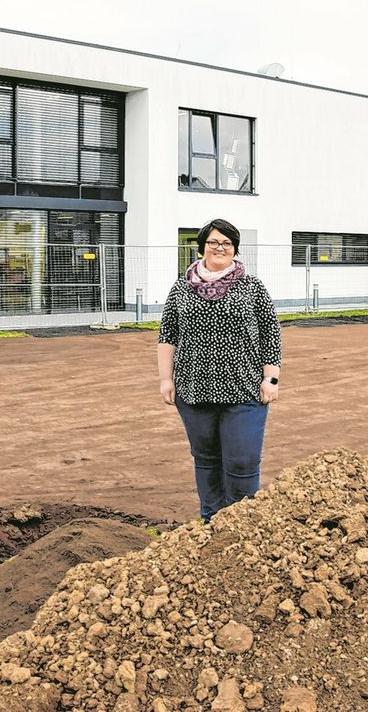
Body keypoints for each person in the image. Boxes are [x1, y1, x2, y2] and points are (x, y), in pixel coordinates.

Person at [157, 218, 282, 522]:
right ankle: (211, 521)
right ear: (202, 247)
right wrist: (165, 379)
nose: (220, 248)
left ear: (235, 249)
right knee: (206, 460)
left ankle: (242, 524)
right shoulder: (181, 288)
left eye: (227, 243)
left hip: (244, 389)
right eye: (213, 242)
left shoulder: (252, 288)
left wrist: (272, 378)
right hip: (194, 390)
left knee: (243, 460)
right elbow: (167, 335)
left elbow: (271, 334)